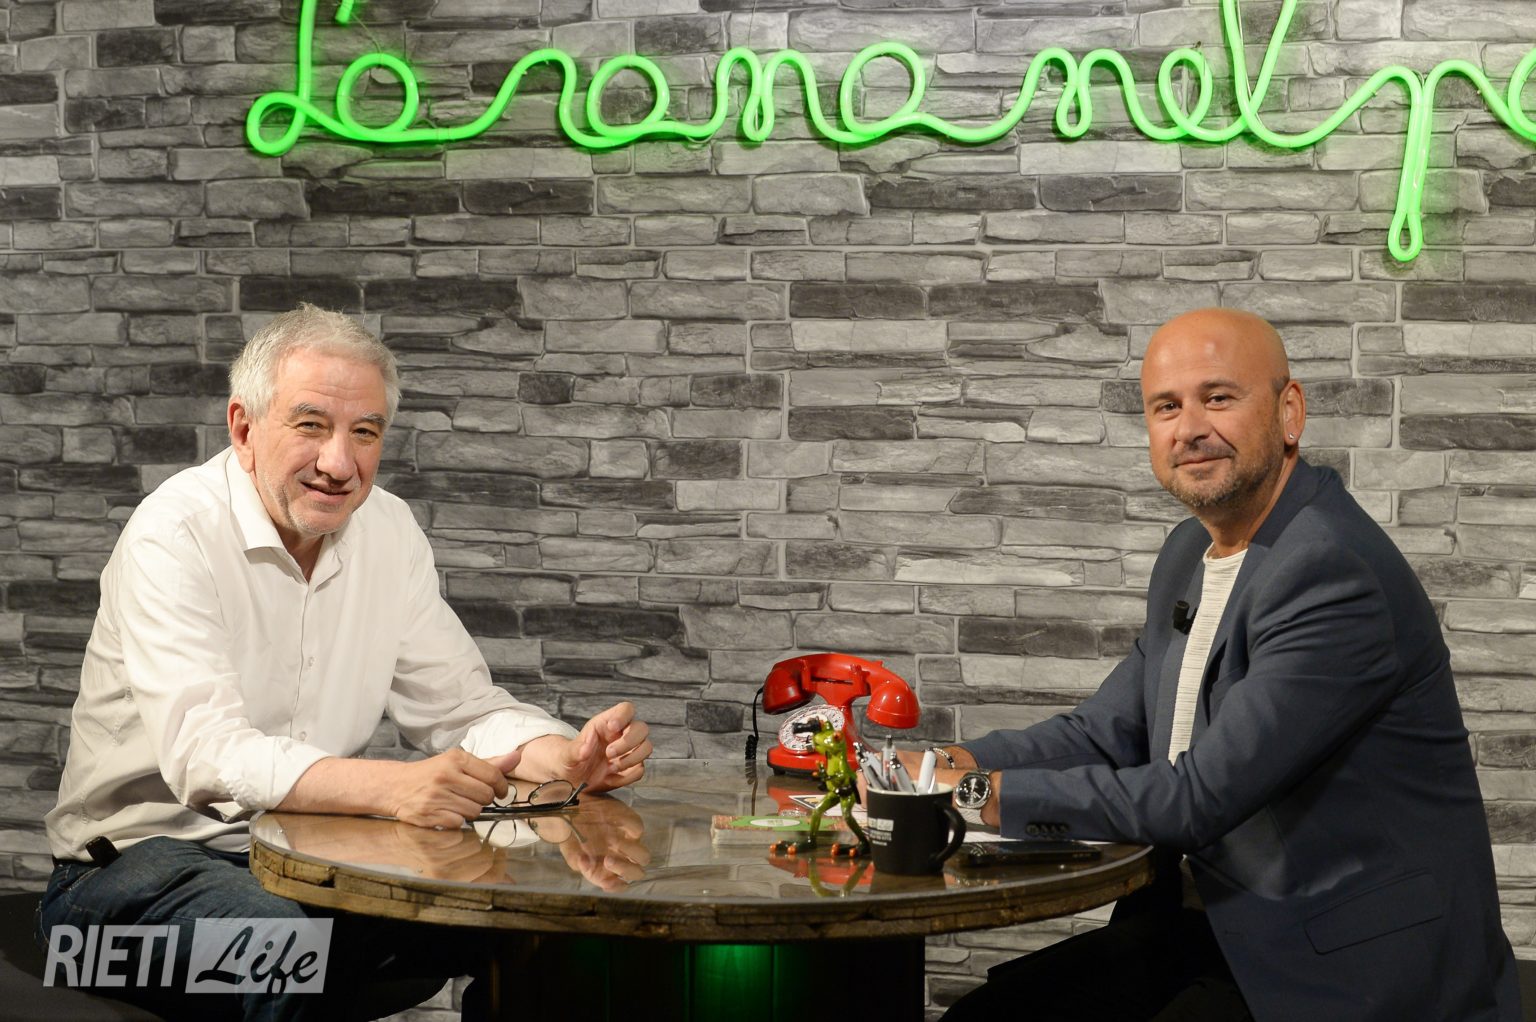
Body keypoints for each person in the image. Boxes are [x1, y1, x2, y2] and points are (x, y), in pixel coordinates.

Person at [39, 304, 653, 1019]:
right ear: (243, 428)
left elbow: (462, 709)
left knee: (526, 926)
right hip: (119, 885)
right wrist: (396, 789)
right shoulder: (172, 533)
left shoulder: (387, 529)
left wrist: (563, 759)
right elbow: (206, 756)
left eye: (365, 432)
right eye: (311, 426)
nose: (340, 464)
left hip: (309, 864)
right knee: (280, 951)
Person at [923, 308, 1519, 1021]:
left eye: (1218, 397)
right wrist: (942, 765)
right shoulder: (1189, 553)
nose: (1190, 428)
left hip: (1341, 966)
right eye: (1167, 407)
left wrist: (976, 796)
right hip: (1214, 931)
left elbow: (1198, 798)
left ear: (1289, 413)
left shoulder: (1330, 569)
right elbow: (1105, 732)